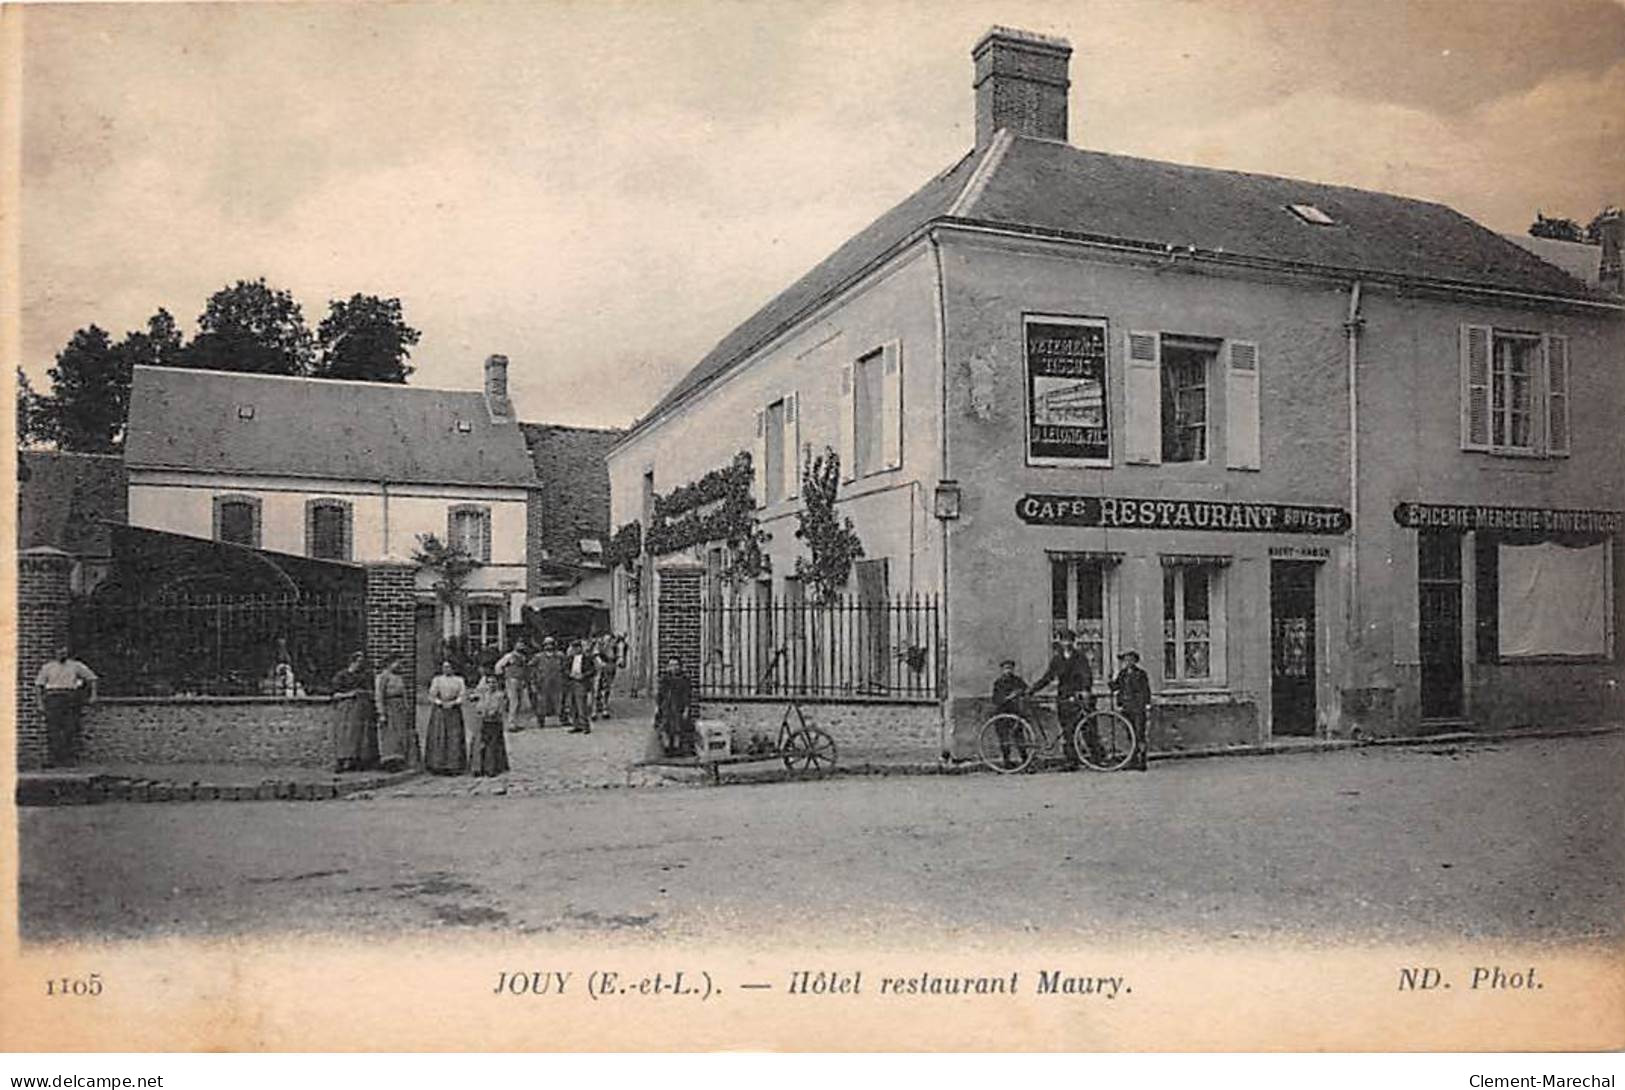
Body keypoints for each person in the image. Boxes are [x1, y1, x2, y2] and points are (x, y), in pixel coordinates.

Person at [1029, 630, 1096, 769]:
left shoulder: (1080, 657)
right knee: (1067, 731)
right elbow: (1048, 677)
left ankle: (1097, 757)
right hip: (1064, 697)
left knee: (1087, 728)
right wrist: (1032, 689)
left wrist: (1085, 690)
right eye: (1063, 640)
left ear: (1073, 642)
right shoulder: (1057, 659)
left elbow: (1086, 675)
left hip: (1078, 696)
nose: (1066, 643)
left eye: (1069, 640)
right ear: (1060, 642)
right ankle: (1072, 760)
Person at [34, 644, 97, 768]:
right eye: (59, 652)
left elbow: (92, 678)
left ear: (67, 653)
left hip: (70, 697)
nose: (61, 654)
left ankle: (68, 759)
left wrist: (93, 695)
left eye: (64, 652)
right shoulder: (47, 667)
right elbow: (39, 686)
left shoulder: (76, 666)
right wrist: (40, 703)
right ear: (54, 653)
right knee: (53, 729)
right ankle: (53, 759)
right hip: (53, 698)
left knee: (70, 728)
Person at [329, 650, 376, 774]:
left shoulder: (363, 676)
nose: (360, 665)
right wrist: (349, 694)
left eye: (362, 662)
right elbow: (335, 694)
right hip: (345, 708)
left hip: (359, 708)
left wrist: (364, 694)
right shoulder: (342, 676)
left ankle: (355, 759)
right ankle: (341, 759)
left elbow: (370, 691)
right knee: (344, 733)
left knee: (358, 734)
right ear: (352, 662)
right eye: (358, 662)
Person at [373, 654, 419, 773]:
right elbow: (379, 695)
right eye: (397, 663)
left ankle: (399, 759)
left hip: (399, 708)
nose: (399, 666)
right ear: (390, 663)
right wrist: (382, 713)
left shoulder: (399, 677)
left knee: (400, 734)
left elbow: (404, 694)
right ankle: (389, 761)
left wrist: (406, 707)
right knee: (390, 734)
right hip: (389, 707)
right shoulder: (383, 677)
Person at [423, 659, 468, 775]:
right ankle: (437, 765)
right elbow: (432, 695)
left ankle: (454, 765)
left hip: (454, 710)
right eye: (444, 667)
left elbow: (463, 695)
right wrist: (440, 702)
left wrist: (454, 703)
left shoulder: (459, 680)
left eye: (449, 667)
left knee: (454, 736)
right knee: (439, 736)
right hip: (440, 710)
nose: (446, 669)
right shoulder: (437, 680)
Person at [1110, 649, 1153, 772]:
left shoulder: (1141, 674)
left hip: (1138, 707)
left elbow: (1146, 690)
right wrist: (1110, 682)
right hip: (1126, 707)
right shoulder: (1122, 674)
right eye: (1125, 660)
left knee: (1140, 734)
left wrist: (1147, 704)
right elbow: (1115, 687)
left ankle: (1142, 761)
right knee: (1131, 734)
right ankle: (1133, 760)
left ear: (1135, 661)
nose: (1128, 662)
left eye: (1130, 660)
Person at [988, 657, 1033, 770]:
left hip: (1015, 712)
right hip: (1002, 714)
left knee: (1019, 737)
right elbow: (996, 699)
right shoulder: (998, 683)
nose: (1008, 670)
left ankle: (1025, 761)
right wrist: (1009, 697)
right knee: (1004, 739)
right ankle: (1006, 762)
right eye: (1006, 668)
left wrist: (1021, 693)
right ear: (1002, 670)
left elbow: (1026, 691)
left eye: (1010, 668)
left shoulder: (1018, 681)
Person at [468, 665, 511, 776]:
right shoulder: (483, 695)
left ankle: (492, 768)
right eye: (489, 682)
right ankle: (479, 768)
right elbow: (478, 706)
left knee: (493, 745)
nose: (491, 685)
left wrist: (492, 712)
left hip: (494, 723)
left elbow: (500, 709)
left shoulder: (500, 695)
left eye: (493, 682)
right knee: (479, 744)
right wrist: (481, 710)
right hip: (483, 722)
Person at [654, 656, 696, 757]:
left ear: (680, 667)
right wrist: (657, 707)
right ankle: (667, 748)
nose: (674, 667)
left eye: (676, 665)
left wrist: (686, 709)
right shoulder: (664, 679)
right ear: (668, 667)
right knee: (665, 727)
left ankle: (677, 748)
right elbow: (660, 694)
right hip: (666, 706)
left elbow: (687, 695)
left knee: (678, 727)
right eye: (671, 665)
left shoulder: (684, 680)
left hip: (678, 706)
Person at [495, 639, 530, 734]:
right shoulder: (509, 656)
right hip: (512, 680)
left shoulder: (523, 657)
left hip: (520, 680)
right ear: (515, 646)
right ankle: (511, 724)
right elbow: (498, 666)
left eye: (522, 645)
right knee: (513, 701)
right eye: (519, 645)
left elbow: (524, 669)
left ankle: (516, 722)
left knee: (519, 702)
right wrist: (502, 677)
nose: (521, 647)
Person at [564, 639, 597, 733]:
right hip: (572, 682)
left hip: (581, 683)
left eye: (577, 648)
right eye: (573, 648)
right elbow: (565, 669)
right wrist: (569, 674)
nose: (575, 650)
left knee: (581, 704)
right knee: (572, 705)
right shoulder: (570, 658)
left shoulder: (587, 658)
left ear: (580, 648)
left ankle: (585, 726)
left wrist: (583, 675)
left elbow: (592, 670)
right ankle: (576, 725)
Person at [593, 634, 619, 720]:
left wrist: (617, 661)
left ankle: (605, 707)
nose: (609, 641)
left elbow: (617, 656)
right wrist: (600, 662)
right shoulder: (599, 645)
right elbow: (596, 654)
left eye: (610, 640)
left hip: (610, 666)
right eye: (607, 640)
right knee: (597, 687)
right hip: (599, 668)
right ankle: (594, 709)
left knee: (607, 687)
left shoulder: (614, 646)